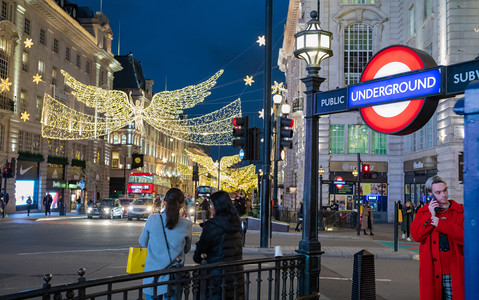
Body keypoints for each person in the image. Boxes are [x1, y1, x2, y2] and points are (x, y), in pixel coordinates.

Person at [411, 175, 464, 300]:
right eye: (438, 192)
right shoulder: (424, 212)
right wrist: (430, 215)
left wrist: (441, 224)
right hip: (432, 270)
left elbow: (465, 237)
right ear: (431, 193)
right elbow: (416, 236)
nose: (443, 195)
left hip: (454, 271)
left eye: (445, 190)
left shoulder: (460, 211)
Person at [139, 187, 192, 300]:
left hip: (153, 275)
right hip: (174, 276)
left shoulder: (153, 219)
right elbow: (186, 248)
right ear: (182, 205)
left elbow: (143, 242)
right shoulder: (186, 224)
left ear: (164, 202)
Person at [193, 190, 244, 300]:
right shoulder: (236, 223)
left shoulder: (212, 225)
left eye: (212, 204)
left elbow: (197, 256)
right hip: (235, 278)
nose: (211, 207)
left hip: (216, 280)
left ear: (217, 206)